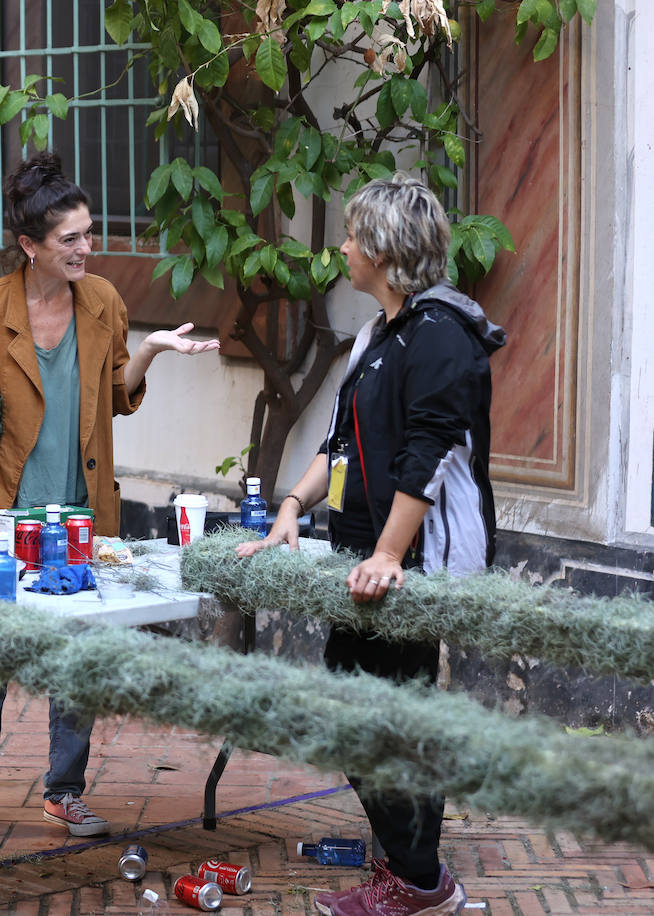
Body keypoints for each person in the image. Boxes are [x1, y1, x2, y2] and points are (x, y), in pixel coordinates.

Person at [0, 151, 219, 842]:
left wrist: (152, 352)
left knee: (79, 654)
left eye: (88, 232)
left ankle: (65, 789)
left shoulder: (104, 301)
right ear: (30, 245)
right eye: (70, 239)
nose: (87, 247)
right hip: (3, 514)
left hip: (81, 510)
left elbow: (115, 393)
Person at [236, 174, 505, 916]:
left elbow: (430, 454)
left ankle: (419, 882)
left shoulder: (443, 334)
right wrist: (292, 505)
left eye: (353, 236)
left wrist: (390, 555)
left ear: (385, 251)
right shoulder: (377, 336)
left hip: (414, 562)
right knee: (357, 708)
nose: (343, 247)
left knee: (389, 714)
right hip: (367, 557)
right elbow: (338, 445)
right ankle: (411, 870)